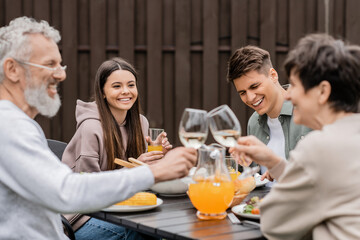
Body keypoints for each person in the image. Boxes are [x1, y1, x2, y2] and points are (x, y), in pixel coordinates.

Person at [0, 16, 197, 240]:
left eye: (60, 64)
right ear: (12, 69)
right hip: (84, 220)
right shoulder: (9, 125)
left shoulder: (19, 125)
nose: (62, 74)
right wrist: (152, 171)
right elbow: (67, 191)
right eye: (49, 64)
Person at [230, 34, 360, 239]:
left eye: (295, 85)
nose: (288, 94)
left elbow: (274, 222)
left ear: (323, 91)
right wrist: (276, 164)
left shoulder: (319, 145)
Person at [61, 57, 172, 238]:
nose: (126, 91)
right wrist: (135, 170)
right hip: (80, 218)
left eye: (131, 85)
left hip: (124, 211)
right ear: (102, 92)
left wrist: (156, 157)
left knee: (160, 225)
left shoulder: (140, 123)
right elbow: (87, 189)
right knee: (143, 232)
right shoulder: (90, 128)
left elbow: (140, 186)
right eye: (117, 86)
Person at [227, 45, 311, 181]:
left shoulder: (309, 111)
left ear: (273, 75)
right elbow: (251, 178)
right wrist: (240, 164)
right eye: (242, 93)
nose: (250, 98)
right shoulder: (253, 123)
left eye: (254, 86)